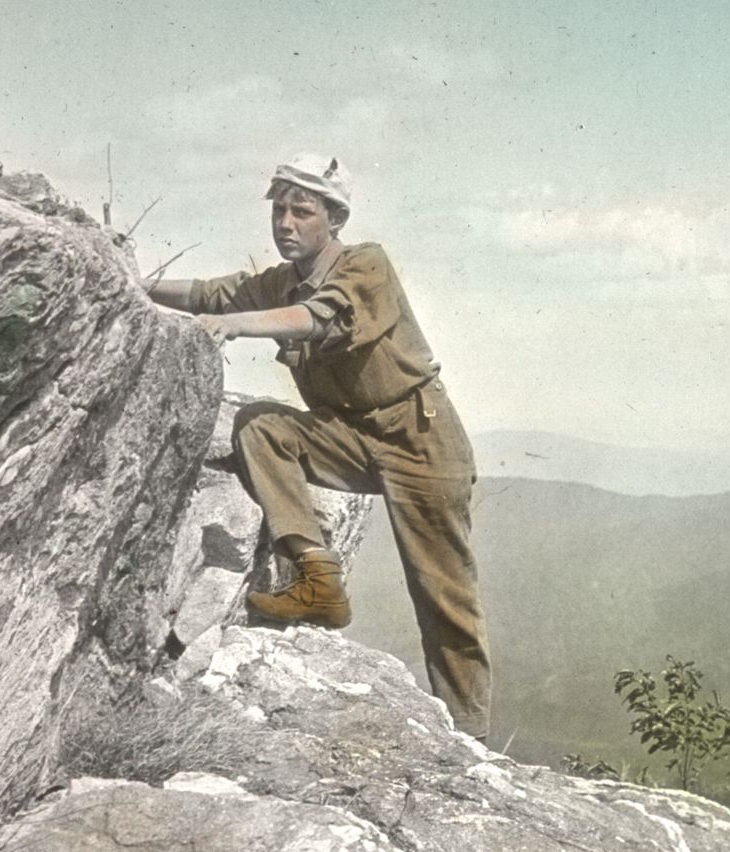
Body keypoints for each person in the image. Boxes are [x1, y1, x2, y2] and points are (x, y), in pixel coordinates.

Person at [143, 153, 491, 741]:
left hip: (421, 440)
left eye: (301, 211)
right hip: (351, 436)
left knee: (444, 599)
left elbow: (316, 319)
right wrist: (138, 285)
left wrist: (238, 326)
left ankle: (471, 741)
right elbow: (211, 293)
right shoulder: (281, 279)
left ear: (334, 219)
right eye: (279, 209)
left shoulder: (366, 265)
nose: (285, 223)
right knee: (261, 427)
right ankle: (317, 579)